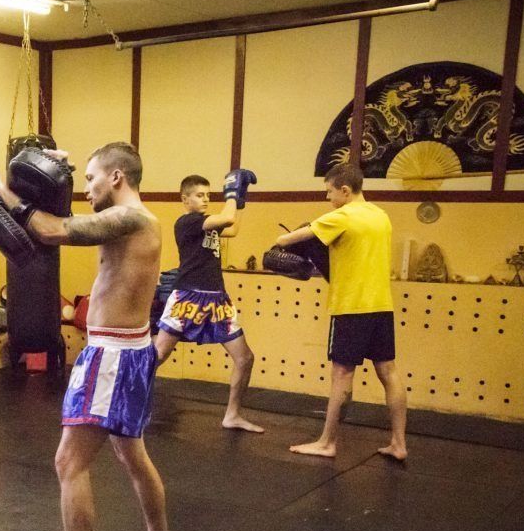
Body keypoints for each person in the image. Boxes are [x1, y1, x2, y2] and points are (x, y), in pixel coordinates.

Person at [0, 142, 174, 531]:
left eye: (90, 178)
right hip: (129, 350)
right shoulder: (132, 222)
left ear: (116, 177)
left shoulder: (133, 218)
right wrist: (51, 171)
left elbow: (51, 230)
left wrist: (0, 188)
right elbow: (63, 220)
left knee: (69, 462)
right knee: (132, 455)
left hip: (113, 356)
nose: (84, 187)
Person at [275, 162, 407, 461]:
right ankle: (399, 443)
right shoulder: (380, 216)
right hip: (381, 305)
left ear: (345, 190)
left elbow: (285, 240)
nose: (327, 198)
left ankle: (327, 442)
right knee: (389, 372)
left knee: (342, 374)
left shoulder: (341, 216)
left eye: (329, 192)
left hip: (351, 307)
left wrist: (292, 238)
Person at [156, 172, 263, 432]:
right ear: (185, 199)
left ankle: (232, 415)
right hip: (188, 297)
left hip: (217, 300)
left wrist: (240, 199)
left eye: (208, 195)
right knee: (158, 355)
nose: (205, 199)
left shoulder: (208, 223)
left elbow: (232, 228)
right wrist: (231, 194)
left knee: (245, 358)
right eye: (199, 195)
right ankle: (122, 396)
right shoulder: (188, 222)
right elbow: (227, 218)